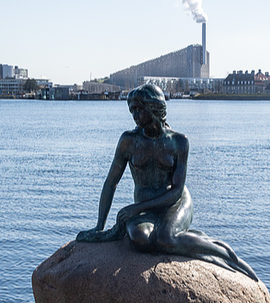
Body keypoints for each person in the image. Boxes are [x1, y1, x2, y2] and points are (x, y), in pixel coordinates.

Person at [77, 84, 257, 281]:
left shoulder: (178, 142)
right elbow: (111, 183)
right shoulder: (128, 141)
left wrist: (136, 209)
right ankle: (186, 237)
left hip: (175, 202)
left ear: (154, 108)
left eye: (139, 109)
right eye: (132, 110)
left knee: (166, 239)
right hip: (145, 209)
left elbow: (177, 191)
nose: (135, 115)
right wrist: (99, 226)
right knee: (140, 239)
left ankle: (223, 253)